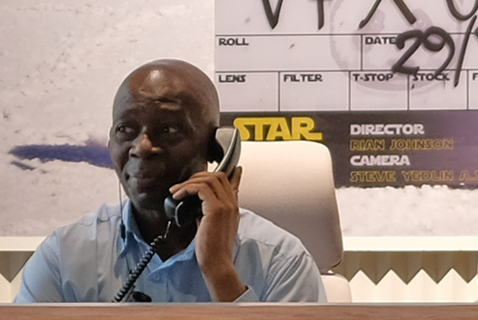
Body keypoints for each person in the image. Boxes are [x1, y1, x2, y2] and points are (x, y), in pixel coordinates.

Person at [16, 59, 325, 302]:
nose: (142, 147)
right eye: (126, 129)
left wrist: (219, 272)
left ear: (215, 149)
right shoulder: (65, 256)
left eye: (169, 130)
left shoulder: (281, 261)